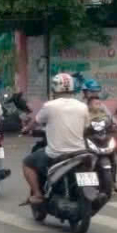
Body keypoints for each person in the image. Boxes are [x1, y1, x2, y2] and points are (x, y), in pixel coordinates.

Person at [21, 73, 90, 204]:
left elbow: (35, 122)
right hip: (80, 152)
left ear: (54, 88)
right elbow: (86, 127)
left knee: (27, 163)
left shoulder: (50, 106)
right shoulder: (83, 106)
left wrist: (26, 129)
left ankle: (37, 194)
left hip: (56, 153)